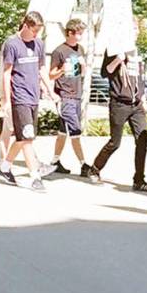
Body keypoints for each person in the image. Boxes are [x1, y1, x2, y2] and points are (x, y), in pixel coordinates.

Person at [0, 12, 57, 191]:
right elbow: (7, 73)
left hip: (33, 95)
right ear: (26, 26)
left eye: (39, 31)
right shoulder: (12, 44)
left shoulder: (38, 43)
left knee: (24, 137)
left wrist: (50, 90)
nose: (36, 34)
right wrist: (6, 99)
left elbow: (42, 68)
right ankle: (35, 176)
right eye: (34, 30)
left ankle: (5, 166)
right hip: (19, 96)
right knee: (27, 137)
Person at [89, 41, 147, 193]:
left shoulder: (136, 53)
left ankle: (139, 180)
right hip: (119, 103)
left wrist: (143, 100)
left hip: (136, 105)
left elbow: (139, 80)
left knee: (142, 140)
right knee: (115, 142)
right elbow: (105, 72)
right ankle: (95, 168)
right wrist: (118, 60)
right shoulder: (113, 50)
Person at [48, 18, 94, 178]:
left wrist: (83, 66)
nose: (81, 36)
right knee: (75, 131)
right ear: (70, 33)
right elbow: (51, 74)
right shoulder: (59, 51)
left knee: (63, 131)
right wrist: (62, 70)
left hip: (77, 95)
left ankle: (55, 161)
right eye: (79, 33)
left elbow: (80, 73)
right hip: (65, 95)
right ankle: (83, 164)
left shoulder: (80, 49)